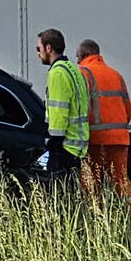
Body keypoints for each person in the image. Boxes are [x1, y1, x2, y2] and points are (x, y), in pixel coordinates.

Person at [75, 39, 131, 199]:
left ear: (84, 54)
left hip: (95, 139)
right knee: (121, 181)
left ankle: (97, 219)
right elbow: (128, 109)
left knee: (92, 184)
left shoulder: (83, 73)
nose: (77, 61)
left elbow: (80, 109)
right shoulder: (116, 74)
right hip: (119, 139)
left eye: (77, 57)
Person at [36, 29, 89, 176]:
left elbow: (59, 111)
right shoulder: (73, 69)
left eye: (38, 48)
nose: (38, 53)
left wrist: (55, 142)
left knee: (58, 190)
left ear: (48, 48)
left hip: (65, 146)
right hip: (78, 145)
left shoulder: (57, 73)